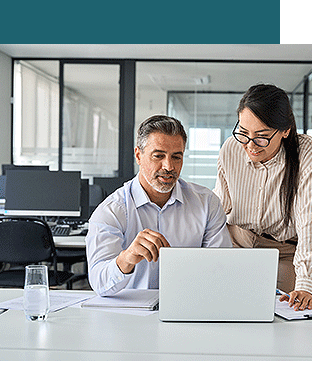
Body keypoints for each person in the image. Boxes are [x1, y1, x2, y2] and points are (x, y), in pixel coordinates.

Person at [86, 115, 232, 296]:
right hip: (131, 309)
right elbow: (99, 282)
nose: (169, 166)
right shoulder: (112, 210)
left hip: (189, 302)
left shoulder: (207, 203)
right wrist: (126, 258)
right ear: (138, 155)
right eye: (158, 156)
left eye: (176, 157)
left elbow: (221, 269)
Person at [214, 84, 312, 311]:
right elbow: (219, 206)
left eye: (262, 137)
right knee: (225, 308)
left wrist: (307, 284)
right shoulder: (231, 148)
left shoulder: (306, 152)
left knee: (280, 312)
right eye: (243, 132)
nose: (250, 145)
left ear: (285, 130)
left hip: (282, 252)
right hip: (236, 242)